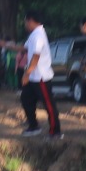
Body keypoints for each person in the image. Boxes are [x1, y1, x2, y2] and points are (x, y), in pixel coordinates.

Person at [18, 10, 60, 138]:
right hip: (33, 76)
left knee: (48, 103)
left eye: (25, 21)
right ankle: (33, 126)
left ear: (30, 21)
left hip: (41, 76)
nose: (25, 24)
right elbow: (25, 49)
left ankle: (55, 131)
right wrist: (6, 45)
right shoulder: (33, 35)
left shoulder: (39, 35)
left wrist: (26, 74)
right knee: (26, 99)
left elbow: (36, 56)